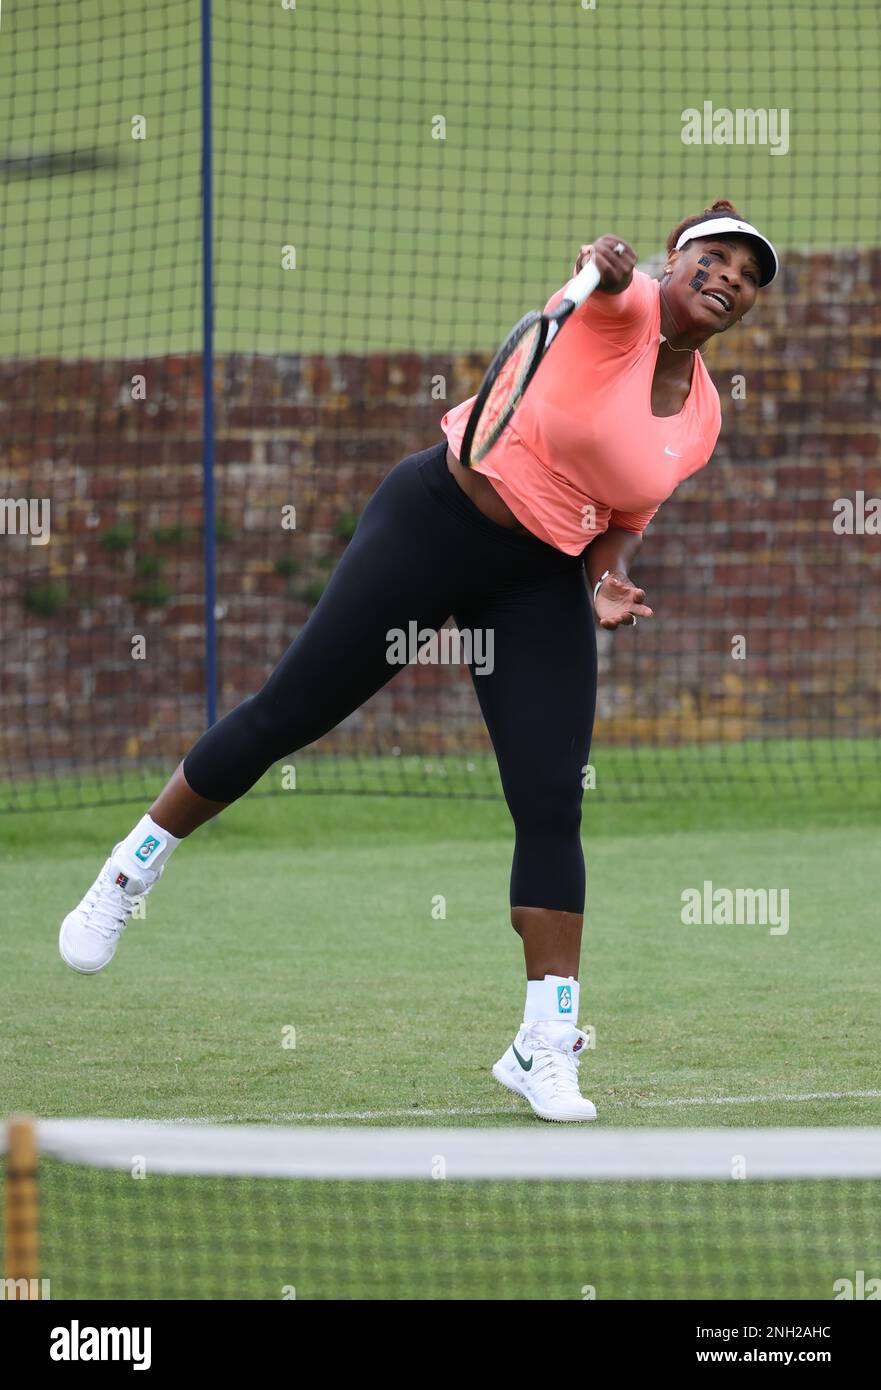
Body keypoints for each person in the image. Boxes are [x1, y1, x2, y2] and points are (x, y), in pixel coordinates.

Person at [59, 199, 778, 1123]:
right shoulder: (621, 301)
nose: (728, 280)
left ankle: (543, 1044)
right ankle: (130, 868)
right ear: (674, 262)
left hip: (539, 582)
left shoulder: (703, 417)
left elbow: (625, 515)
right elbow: (599, 280)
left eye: (747, 277)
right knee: (288, 714)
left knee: (553, 798)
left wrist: (608, 580)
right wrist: (601, 265)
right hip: (434, 521)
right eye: (713, 260)